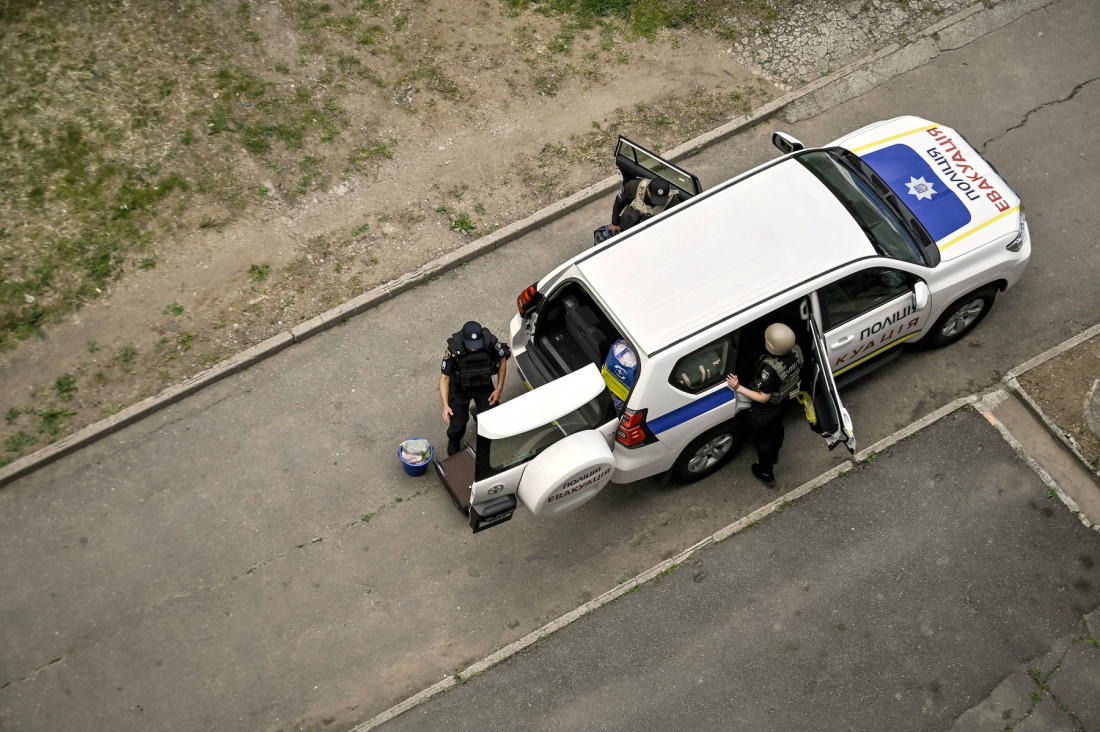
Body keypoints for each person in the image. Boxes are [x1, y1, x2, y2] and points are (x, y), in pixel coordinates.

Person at [725, 323, 804, 488]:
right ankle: (775, 453)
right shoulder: (795, 351)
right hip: (782, 400)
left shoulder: (770, 370)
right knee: (777, 428)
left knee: (764, 440)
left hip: (766, 409)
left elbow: (763, 397)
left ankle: (766, 473)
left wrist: (738, 387)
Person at [439, 320, 510, 456]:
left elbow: (502, 360)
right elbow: (444, 378)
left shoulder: (491, 342)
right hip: (460, 388)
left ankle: (479, 413)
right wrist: (445, 405)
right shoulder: (454, 348)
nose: (474, 348)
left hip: (483, 386)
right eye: (471, 345)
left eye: (477, 344)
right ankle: (454, 439)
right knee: (458, 424)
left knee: (490, 418)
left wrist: (499, 388)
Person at [610, 177, 681, 234]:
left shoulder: (673, 201)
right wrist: (614, 223)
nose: (658, 203)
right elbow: (619, 202)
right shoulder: (632, 186)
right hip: (631, 223)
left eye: (661, 200)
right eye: (655, 198)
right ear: (648, 190)